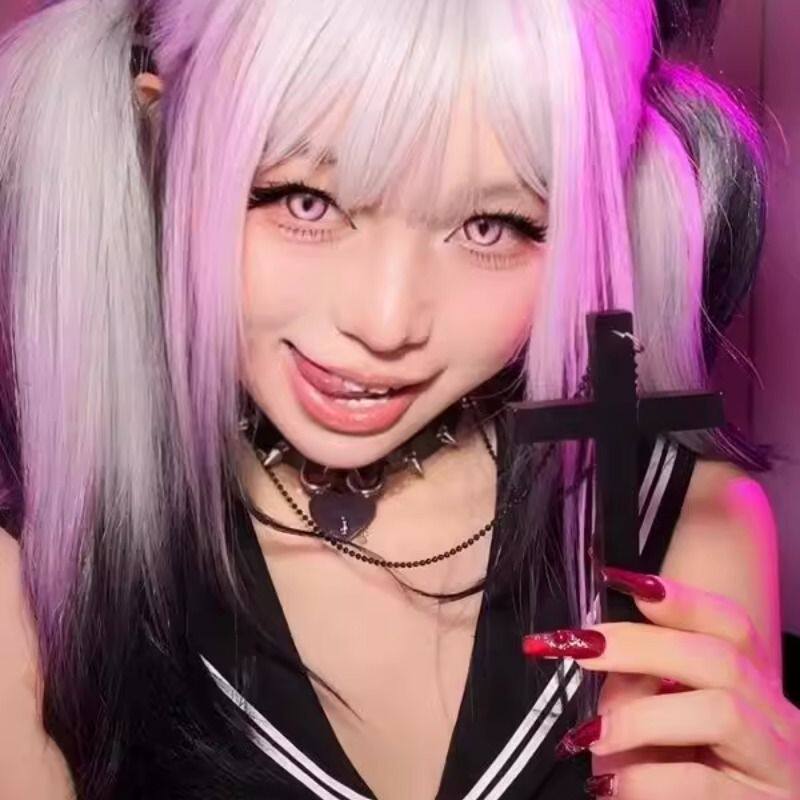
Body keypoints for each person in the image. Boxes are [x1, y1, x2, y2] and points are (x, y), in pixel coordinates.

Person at [0, 0, 797, 798]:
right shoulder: (38, 573)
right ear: (160, 146)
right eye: (304, 201)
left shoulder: (686, 530)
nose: (385, 324)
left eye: (492, 226)